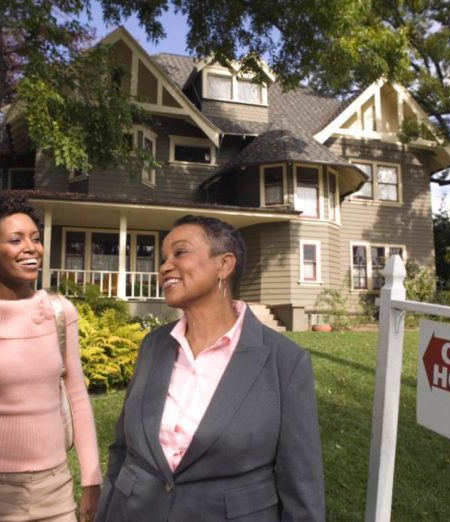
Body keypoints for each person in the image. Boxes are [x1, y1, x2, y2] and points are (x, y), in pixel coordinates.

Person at [96, 215, 325, 522]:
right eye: (163, 258)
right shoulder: (153, 345)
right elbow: (122, 450)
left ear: (224, 265)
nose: (164, 267)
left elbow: (301, 485)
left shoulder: (284, 361)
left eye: (180, 252)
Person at [0, 193, 102, 522]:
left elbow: (77, 395)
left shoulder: (58, 311)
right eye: (15, 239)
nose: (31, 248)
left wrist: (92, 479)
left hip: (55, 488)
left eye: (35, 239)